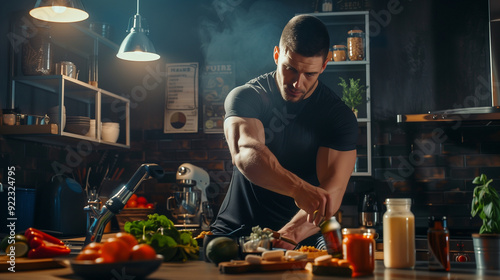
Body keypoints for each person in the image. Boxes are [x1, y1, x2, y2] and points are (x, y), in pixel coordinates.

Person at [210, 14, 358, 250]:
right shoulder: (247, 96)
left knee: (332, 259)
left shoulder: (338, 117)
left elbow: (331, 194)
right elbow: (247, 153)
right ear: (277, 55)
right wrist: (298, 189)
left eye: (309, 74)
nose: (297, 83)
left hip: (301, 234)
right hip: (236, 229)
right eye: (290, 69)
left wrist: (285, 236)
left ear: (324, 65)